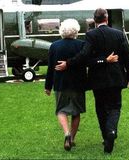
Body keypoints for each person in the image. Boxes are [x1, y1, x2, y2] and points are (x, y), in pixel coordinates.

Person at [55, 8, 129, 154]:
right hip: (116, 78)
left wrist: (68, 63)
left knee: (101, 109)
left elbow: (85, 57)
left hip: (97, 80)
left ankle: (106, 136)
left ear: (94, 19)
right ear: (107, 19)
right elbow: (127, 56)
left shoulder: (90, 35)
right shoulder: (119, 34)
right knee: (115, 108)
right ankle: (111, 132)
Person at [44, 19, 118, 151]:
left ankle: (66, 133)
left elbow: (50, 68)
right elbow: (87, 61)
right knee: (76, 113)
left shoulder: (54, 46)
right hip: (78, 84)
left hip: (61, 83)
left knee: (61, 110)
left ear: (62, 31)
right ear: (76, 31)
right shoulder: (82, 45)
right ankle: (72, 138)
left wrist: (48, 86)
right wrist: (104, 60)